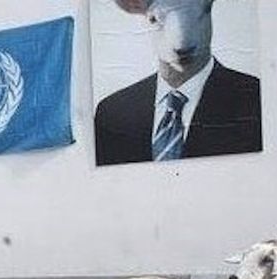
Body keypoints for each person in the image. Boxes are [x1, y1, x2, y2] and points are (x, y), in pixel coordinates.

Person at [94, 0, 262, 166]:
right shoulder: (111, 114)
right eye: (155, 19)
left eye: (202, 11)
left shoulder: (256, 100)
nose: (181, 42)